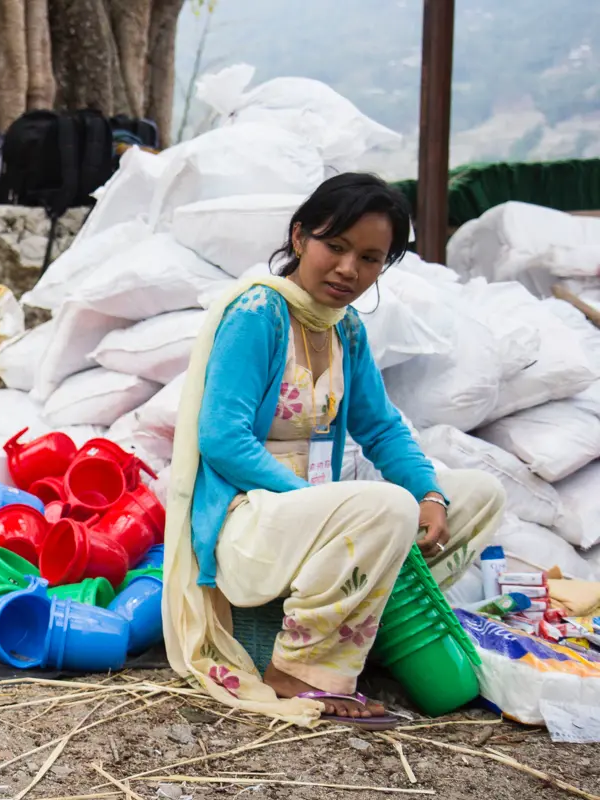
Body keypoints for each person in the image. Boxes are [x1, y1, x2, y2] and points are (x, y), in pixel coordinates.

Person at [161, 173, 505, 729]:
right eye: (336, 247)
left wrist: (432, 494)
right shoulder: (257, 314)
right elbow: (222, 438)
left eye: (370, 258)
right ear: (300, 238)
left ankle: (374, 633)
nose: (349, 270)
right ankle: (299, 670)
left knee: (480, 494)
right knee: (384, 507)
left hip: (310, 517)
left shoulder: (346, 331)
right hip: (247, 522)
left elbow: (383, 428)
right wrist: (315, 505)